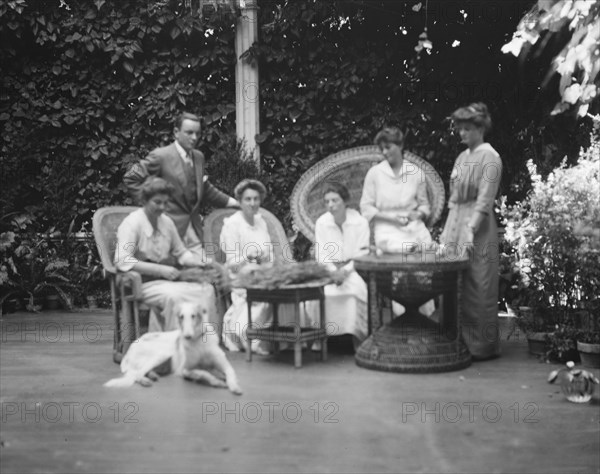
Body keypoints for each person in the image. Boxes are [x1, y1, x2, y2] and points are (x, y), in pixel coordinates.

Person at [124, 112, 238, 259]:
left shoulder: (198, 157)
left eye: (197, 133)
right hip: (166, 230)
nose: (194, 138)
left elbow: (205, 188)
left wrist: (235, 203)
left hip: (193, 229)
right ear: (176, 132)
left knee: (204, 271)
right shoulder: (160, 156)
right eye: (189, 133)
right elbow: (131, 178)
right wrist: (149, 206)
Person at [439, 102, 502, 360]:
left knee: (478, 283)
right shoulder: (461, 157)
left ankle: (480, 347)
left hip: (478, 226)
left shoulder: (491, 157)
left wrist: (469, 231)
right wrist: (446, 234)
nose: (461, 134)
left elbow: (485, 200)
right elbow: (454, 199)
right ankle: (453, 341)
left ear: (480, 128)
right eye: (459, 129)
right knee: (453, 282)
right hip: (456, 223)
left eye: (466, 129)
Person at [114, 177, 217, 332]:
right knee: (173, 297)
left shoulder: (166, 222)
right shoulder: (132, 224)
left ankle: (204, 341)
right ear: (145, 200)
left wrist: (201, 262)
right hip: (141, 283)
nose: (162, 207)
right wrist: (160, 270)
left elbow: (181, 253)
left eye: (165, 202)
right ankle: (172, 345)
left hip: (167, 282)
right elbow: (122, 260)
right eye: (157, 202)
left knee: (206, 289)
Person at [360, 126, 435, 317]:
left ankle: (424, 322)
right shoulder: (375, 174)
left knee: (421, 265)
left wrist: (418, 215)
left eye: (389, 147)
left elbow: (425, 206)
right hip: (387, 230)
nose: (385, 152)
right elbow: (366, 208)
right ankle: (403, 320)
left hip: (413, 227)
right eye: (382, 149)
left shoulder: (415, 172)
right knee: (401, 264)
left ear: (400, 145)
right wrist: (391, 218)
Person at [219, 179, 299, 355]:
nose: (253, 203)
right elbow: (231, 262)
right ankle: (256, 338)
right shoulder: (232, 225)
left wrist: (264, 259)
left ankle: (285, 337)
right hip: (240, 275)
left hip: (262, 270)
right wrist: (248, 256)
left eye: (256, 199)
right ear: (239, 201)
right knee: (262, 287)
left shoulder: (261, 222)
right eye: (248, 199)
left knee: (284, 284)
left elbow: (269, 254)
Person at [312, 182, 369, 349]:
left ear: (345, 201)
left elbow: (362, 253)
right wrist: (333, 272)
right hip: (329, 271)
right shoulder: (322, 223)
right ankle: (323, 340)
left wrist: (344, 271)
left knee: (355, 290)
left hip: (353, 270)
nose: (330, 205)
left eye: (335, 200)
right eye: (327, 201)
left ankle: (356, 338)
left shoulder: (360, 222)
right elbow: (321, 254)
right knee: (321, 294)